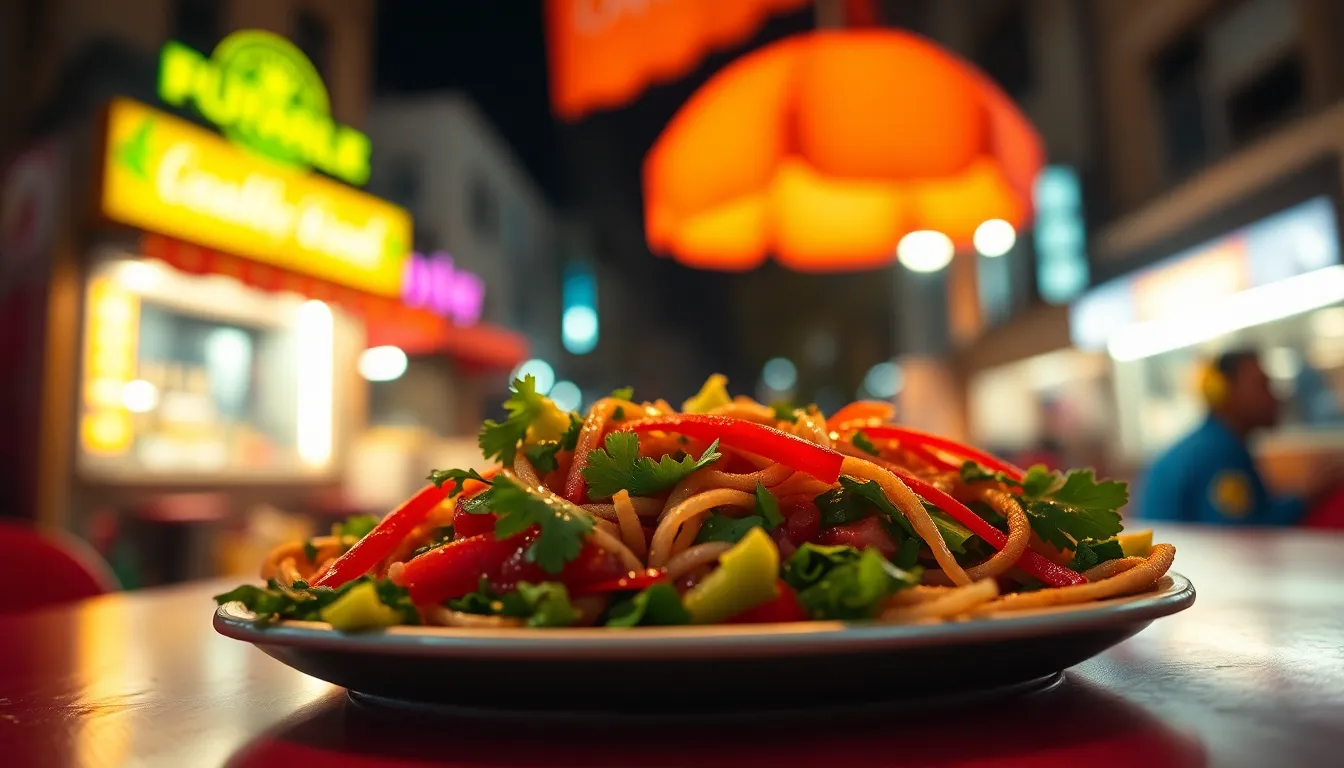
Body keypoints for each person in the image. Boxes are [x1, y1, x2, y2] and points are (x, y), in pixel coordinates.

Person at [1139, 349, 1319, 525]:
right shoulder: (1217, 453)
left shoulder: (1209, 444)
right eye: (1262, 384)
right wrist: (1304, 497)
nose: (1274, 396)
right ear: (1225, 392)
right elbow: (1240, 535)